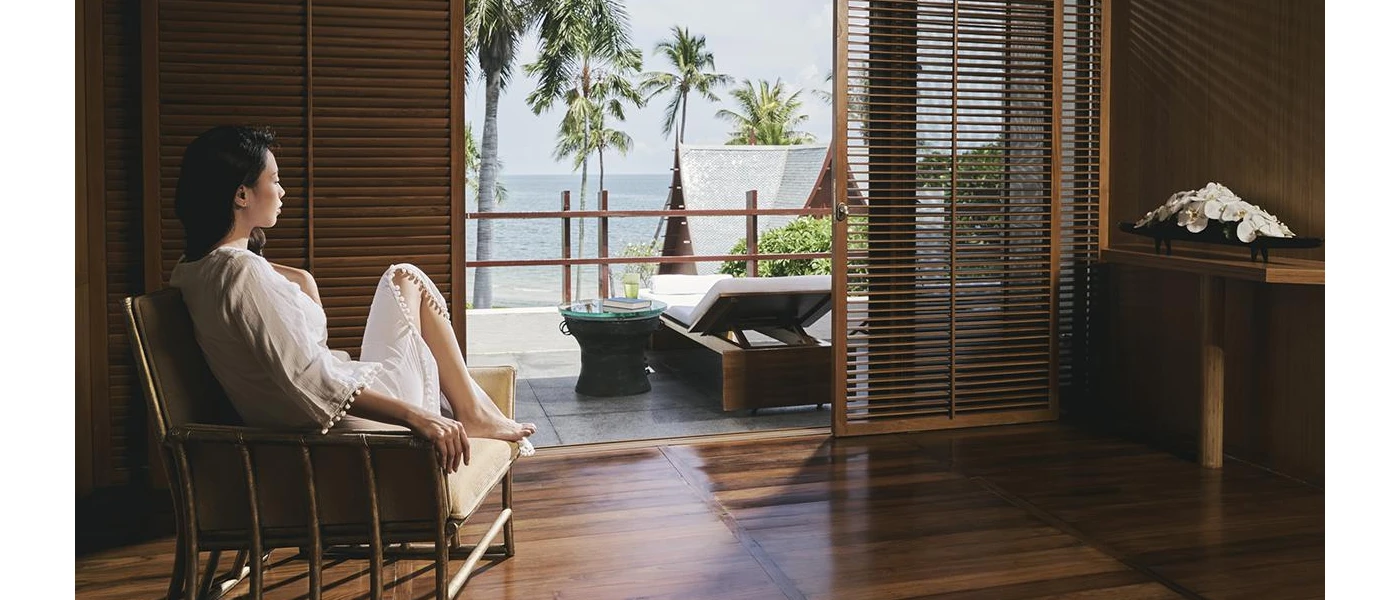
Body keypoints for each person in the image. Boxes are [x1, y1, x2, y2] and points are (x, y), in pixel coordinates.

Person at [168, 125, 535, 472]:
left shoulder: (194, 269)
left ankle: (471, 411)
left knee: (404, 279)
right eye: (274, 180)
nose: (282, 192)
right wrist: (417, 416)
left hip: (325, 412)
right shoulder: (240, 273)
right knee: (405, 276)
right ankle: (472, 412)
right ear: (241, 195)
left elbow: (295, 339)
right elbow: (311, 380)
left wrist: (288, 269)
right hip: (346, 431)